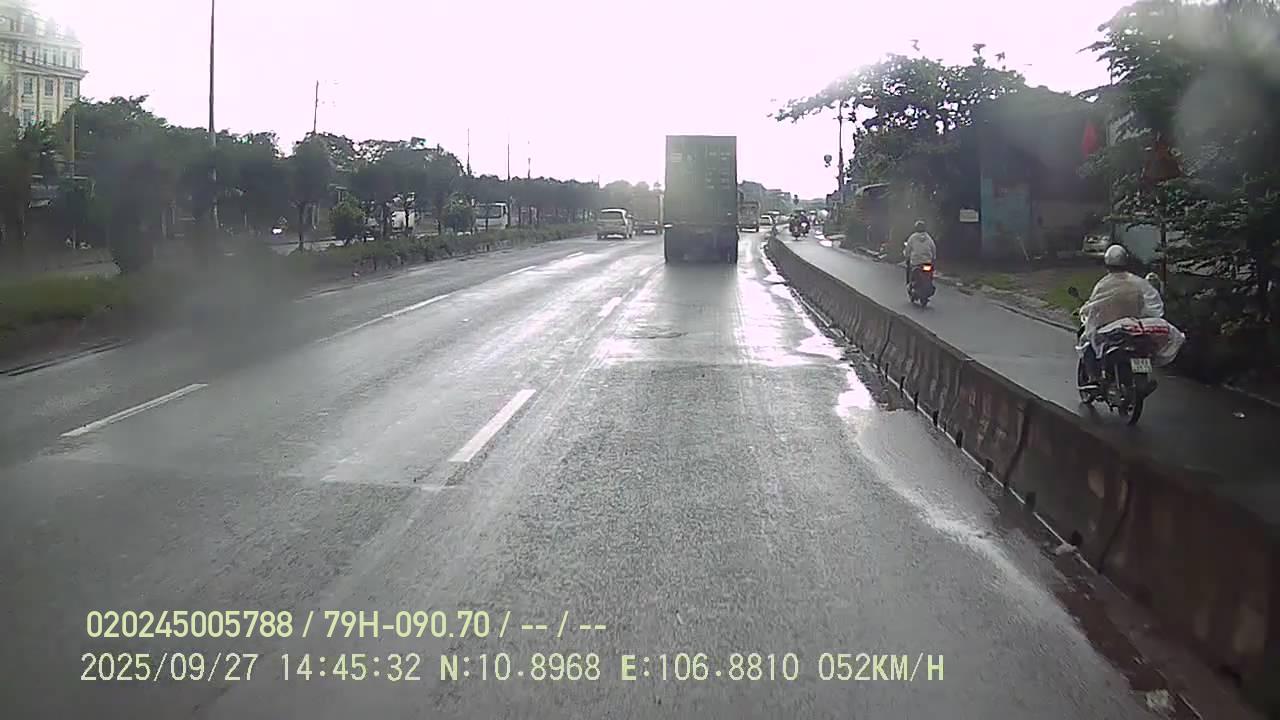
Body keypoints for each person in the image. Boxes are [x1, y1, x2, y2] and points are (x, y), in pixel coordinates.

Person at [1077, 244, 1166, 382]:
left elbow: (1095, 304)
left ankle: (1094, 377)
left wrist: (1085, 310)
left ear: (1107, 264)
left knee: (1087, 342)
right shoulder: (1138, 282)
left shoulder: (1104, 284)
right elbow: (1152, 305)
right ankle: (1139, 376)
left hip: (1112, 329)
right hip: (1135, 328)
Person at [903, 220, 937, 285]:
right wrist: (933, 258)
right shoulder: (929, 238)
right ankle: (930, 283)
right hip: (927, 262)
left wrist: (907, 257)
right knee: (930, 272)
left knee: (909, 269)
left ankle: (909, 283)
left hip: (915, 262)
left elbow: (908, 249)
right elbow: (933, 248)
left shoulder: (912, 237)